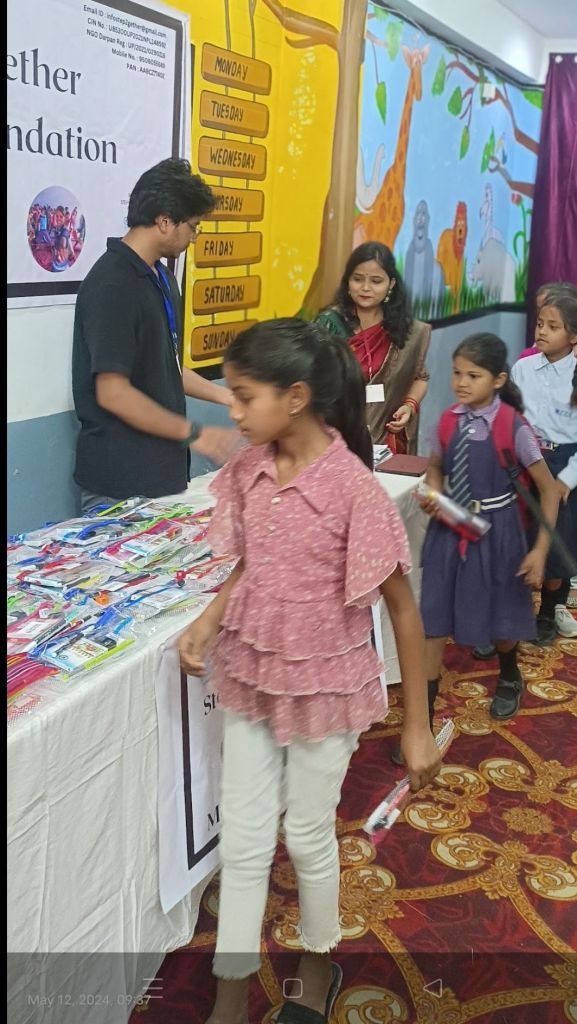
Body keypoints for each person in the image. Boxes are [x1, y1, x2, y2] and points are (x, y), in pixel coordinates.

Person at [178, 318, 440, 1024]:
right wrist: (209, 619)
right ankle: (230, 994)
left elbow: (402, 609)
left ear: (295, 397)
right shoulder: (250, 469)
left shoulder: (352, 489)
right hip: (252, 676)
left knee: (306, 835)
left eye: (243, 396)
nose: (233, 411)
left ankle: (318, 961)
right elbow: (253, 561)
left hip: (327, 687)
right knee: (242, 841)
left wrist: (417, 726)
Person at [391, 334, 558, 765]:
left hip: (498, 531)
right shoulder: (447, 421)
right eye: (457, 373)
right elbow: (435, 470)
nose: (461, 383)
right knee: (433, 621)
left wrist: (539, 551)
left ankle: (509, 674)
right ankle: (423, 722)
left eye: (473, 375)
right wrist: (434, 496)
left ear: (498, 379)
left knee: (501, 612)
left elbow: (548, 490)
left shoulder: (513, 427)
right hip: (450, 530)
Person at [72, 158, 236, 512]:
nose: (194, 238)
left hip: (162, 477)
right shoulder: (113, 285)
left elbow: (168, 369)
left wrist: (230, 397)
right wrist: (196, 433)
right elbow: (113, 393)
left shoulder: (161, 279)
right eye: (192, 227)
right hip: (119, 486)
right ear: (164, 221)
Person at [315, 242, 430, 453]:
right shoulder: (329, 324)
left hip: (387, 438)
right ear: (347, 281)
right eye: (358, 279)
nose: (365, 288)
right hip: (338, 437)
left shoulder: (407, 330)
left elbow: (420, 377)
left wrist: (409, 407)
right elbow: (314, 381)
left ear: (391, 284)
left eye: (376, 281)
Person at [510, 287, 577, 643]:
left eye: (553, 326)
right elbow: (509, 415)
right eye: (540, 324)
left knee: (556, 543)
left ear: (573, 336)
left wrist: (567, 480)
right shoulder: (523, 368)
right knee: (515, 537)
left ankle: (549, 611)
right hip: (524, 458)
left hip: (564, 462)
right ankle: (508, 614)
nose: (542, 331)